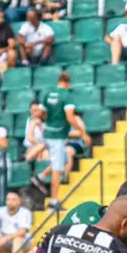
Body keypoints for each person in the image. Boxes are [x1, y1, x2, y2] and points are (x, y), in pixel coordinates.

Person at [42, 71, 89, 210]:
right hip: (58, 136)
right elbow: (70, 117)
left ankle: (41, 176)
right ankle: (53, 201)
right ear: (68, 82)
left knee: (63, 159)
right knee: (57, 168)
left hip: (48, 132)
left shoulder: (47, 93)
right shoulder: (67, 96)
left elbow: (41, 113)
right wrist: (83, 133)